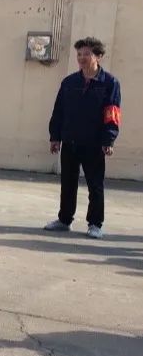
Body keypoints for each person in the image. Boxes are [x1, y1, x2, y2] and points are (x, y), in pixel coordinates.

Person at [44, 37, 122, 239]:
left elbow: (112, 113)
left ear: (99, 56)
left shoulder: (109, 83)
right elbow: (59, 111)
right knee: (67, 183)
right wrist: (55, 136)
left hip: (94, 143)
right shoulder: (69, 82)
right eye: (79, 54)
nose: (82, 58)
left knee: (95, 185)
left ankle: (95, 224)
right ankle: (64, 220)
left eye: (87, 54)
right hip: (70, 140)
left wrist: (108, 140)